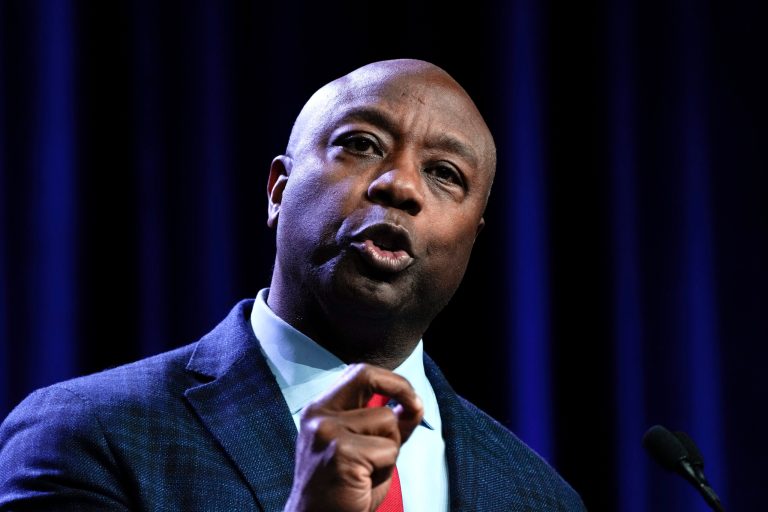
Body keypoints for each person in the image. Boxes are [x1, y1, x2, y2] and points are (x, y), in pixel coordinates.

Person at [0, 58, 586, 511]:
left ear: (473, 238)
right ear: (278, 190)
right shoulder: (88, 434)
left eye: (444, 174)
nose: (401, 185)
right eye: (361, 144)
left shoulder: (539, 494)